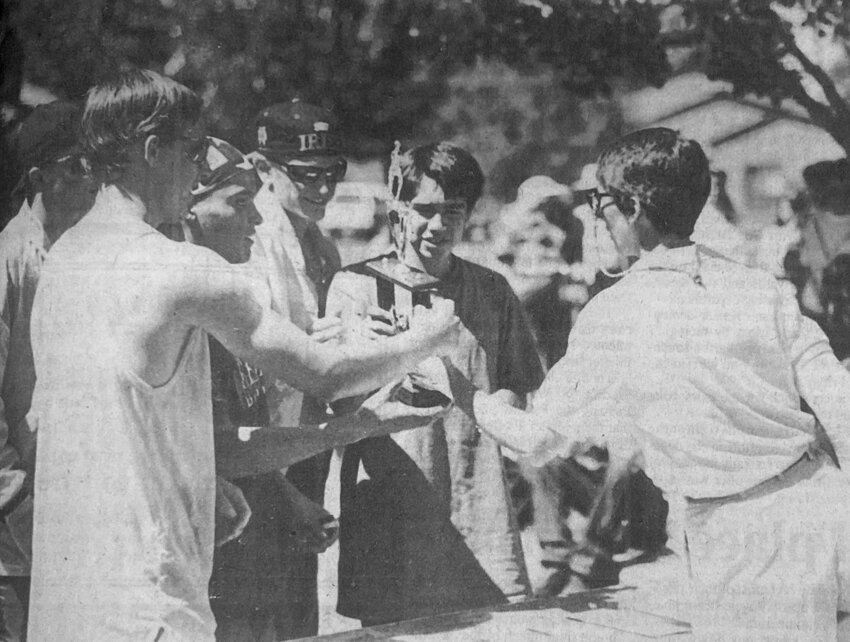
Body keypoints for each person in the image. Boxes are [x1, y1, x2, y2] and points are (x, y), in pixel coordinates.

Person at [26, 70, 460, 642]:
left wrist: (199, 477)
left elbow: (51, 420)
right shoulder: (180, 268)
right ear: (154, 151)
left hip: (67, 602)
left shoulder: (62, 261)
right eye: (190, 151)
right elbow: (324, 375)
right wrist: (433, 334)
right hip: (150, 610)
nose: (195, 168)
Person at [445, 127, 850, 640]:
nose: (596, 218)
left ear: (631, 208)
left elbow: (539, 440)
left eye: (599, 202)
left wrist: (459, 390)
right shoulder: (760, 286)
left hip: (740, 539)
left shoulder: (616, 311)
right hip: (821, 508)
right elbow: (839, 403)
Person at [327, 142, 545, 625]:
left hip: (479, 503)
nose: (439, 225)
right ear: (396, 209)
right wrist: (368, 357)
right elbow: (335, 404)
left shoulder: (492, 291)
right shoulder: (356, 287)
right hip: (393, 507)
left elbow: (516, 385)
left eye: (453, 211)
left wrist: (484, 410)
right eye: (424, 210)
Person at [214, 100, 346, 641]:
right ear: (265, 169)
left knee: (295, 604)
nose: (321, 189)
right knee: (252, 605)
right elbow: (246, 365)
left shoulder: (321, 244)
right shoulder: (249, 238)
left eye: (331, 174)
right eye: (305, 175)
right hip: (260, 451)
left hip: (303, 441)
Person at [0, 101, 94, 641]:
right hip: (19, 547)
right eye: (79, 164)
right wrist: (17, 501)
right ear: (39, 177)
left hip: (74, 525)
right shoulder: (13, 259)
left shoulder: (76, 254)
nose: (95, 179)